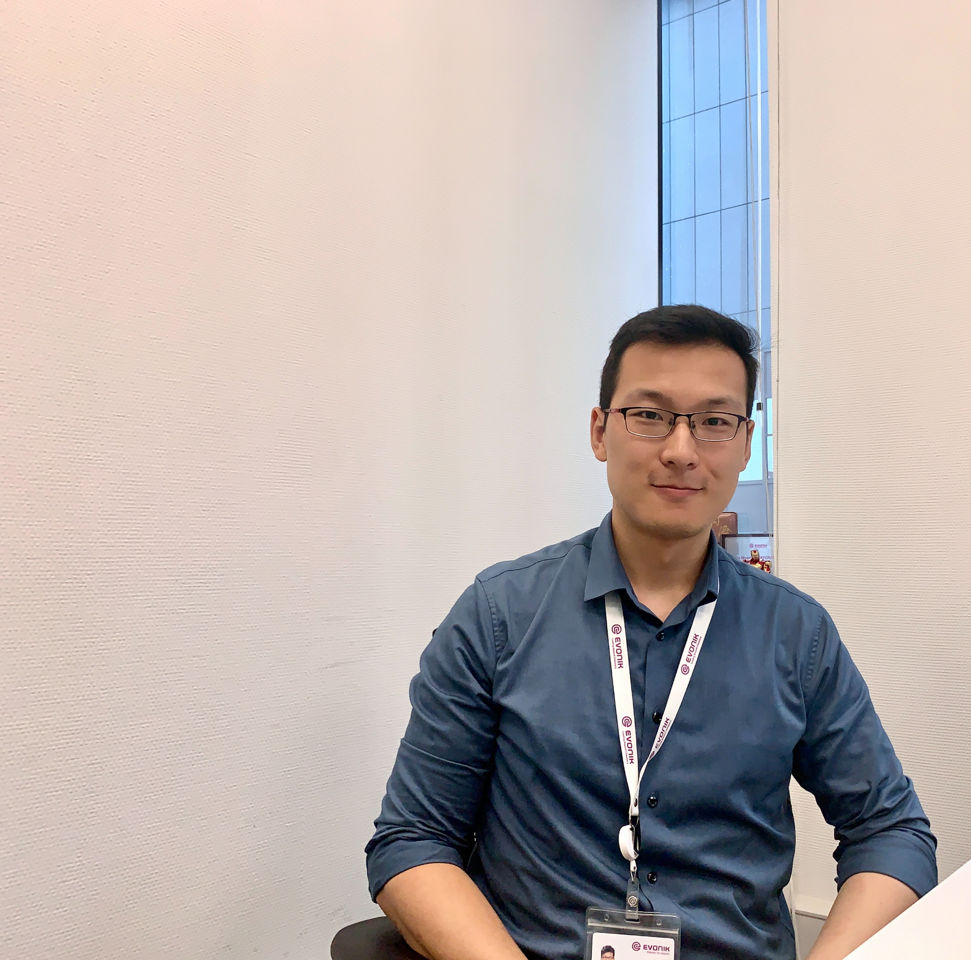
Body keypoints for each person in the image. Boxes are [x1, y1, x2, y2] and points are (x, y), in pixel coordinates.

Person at [366, 305, 937, 960]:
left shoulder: (795, 633)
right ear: (600, 430)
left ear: (747, 441)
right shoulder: (498, 616)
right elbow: (412, 839)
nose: (681, 450)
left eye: (715, 422)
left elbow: (891, 832)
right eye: (650, 415)